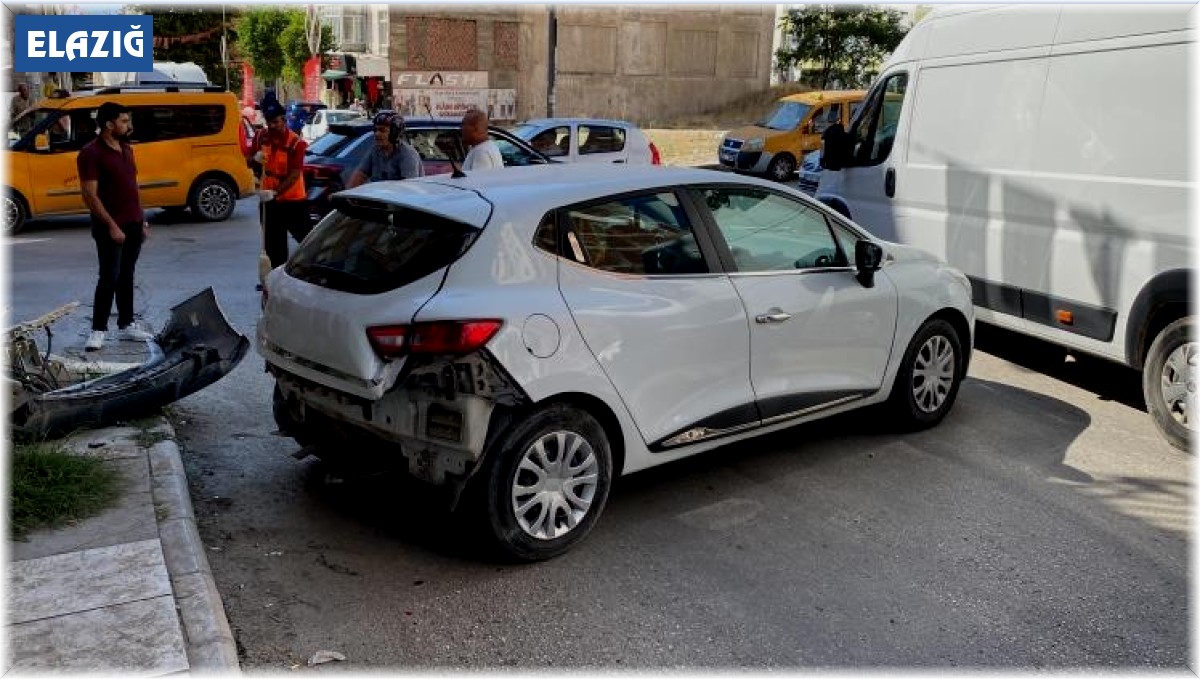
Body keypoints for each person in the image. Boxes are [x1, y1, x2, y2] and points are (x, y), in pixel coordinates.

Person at [78, 102, 154, 351]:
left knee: (127, 276)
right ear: (109, 124)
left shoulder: (126, 149)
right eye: (123, 121)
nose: (128, 125)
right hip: (110, 227)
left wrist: (141, 219)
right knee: (109, 277)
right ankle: (98, 329)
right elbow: (90, 195)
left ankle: (127, 324)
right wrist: (112, 225)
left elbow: (132, 188)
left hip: (133, 223)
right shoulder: (91, 153)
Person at [255, 100, 311, 271]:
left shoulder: (296, 143)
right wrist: (254, 160)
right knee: (273, 245)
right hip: (269, 202)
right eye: (269, 122)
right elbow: (251, 161)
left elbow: (295, 175)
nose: (272, 126)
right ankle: (274, 278)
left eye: (276, 122)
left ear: (284, 120)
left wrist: (275, 192)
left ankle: (312, 273)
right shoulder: (262, 137)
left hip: (293, 202)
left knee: (307, 240)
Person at [346, 112, 424, 188]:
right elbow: (361, 175)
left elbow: (409, 188)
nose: (377, 134)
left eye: (382, 130)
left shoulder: (407, 154)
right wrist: (346, 195)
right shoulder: (375, 151)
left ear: (394, 133)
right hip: (379, 198)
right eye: (375, 130)